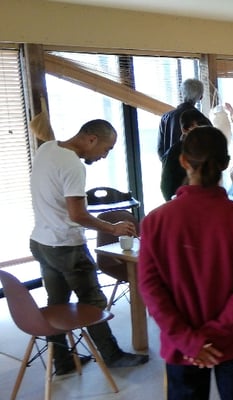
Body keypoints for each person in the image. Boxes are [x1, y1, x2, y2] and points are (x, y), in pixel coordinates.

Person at [139, 126, 233, 399]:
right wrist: (215, 334)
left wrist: (190, 340)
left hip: (181, 344)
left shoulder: (155, 221)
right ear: (225, 164)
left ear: (183, 161)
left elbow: (150, 289)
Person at [29, 119, 149, 375]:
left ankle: (62, 361)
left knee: (56, 303)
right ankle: (113, 356)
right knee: (93, 301)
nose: (105, 156)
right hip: (67, 246)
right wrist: (112, 228)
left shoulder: (47, 148)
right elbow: (77, 214)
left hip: (41, 242)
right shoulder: (73, 165)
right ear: (92, 139)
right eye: (107, 149)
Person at [160, 109, 211, 201]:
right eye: (198, 127)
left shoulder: (207, 147)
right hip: (181, 200)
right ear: (185, 130)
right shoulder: (175, 151)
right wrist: (174, 203)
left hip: (206, 199)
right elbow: (166, 186)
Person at [158, 78, 205, 162]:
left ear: (181, 94)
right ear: (201, 97)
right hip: (195, 169)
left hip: (171, 167)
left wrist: (168, 164)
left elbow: (160, 149)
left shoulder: (166, 117)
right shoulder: (203, 120)